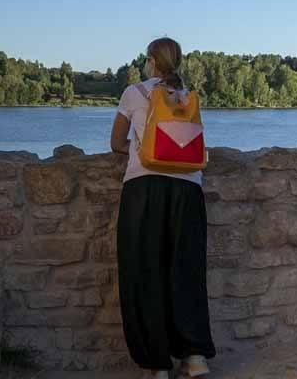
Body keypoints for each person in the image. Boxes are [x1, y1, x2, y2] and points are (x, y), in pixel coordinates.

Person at [109, 37, 216, 379]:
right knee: (186, 272)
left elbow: (115, 143)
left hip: (145, 187)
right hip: (188, 189)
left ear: (151, 62)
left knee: (144, 273)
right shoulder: (186, 95)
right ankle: (196, 358)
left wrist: (144, 145)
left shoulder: (134, 93)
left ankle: (156, 366)